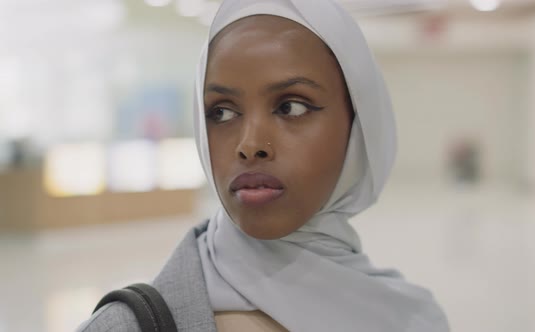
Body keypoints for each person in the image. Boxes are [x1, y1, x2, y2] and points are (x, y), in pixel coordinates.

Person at [77, 0, 450, 331]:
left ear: (359, 125)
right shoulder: (124, 327)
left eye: (291, 106)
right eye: (221, 113)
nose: (249, 145)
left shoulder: (412, 318)